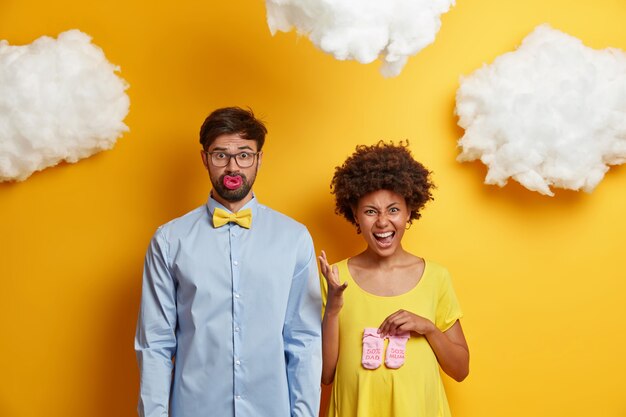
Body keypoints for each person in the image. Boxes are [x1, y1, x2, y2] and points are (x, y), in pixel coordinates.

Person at [135, 107, 322, 417]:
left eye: (245, 155)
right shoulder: (169, 240)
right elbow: (154, 344)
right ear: (204, 158)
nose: (233, 167)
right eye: (221, 155)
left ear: (259, 159)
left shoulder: (294, 238)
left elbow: (304, 341)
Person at [318, 141, 469, 417]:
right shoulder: (334, 278)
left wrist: (428, 328)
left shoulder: (435, 277)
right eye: (370, 211)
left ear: (409, 211)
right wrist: (333, 310)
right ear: (355, 215)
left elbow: (460, 370)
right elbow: (326, 374)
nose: (383, 222)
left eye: (393, 209)